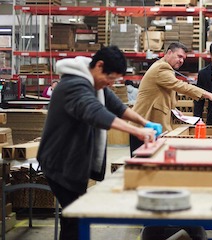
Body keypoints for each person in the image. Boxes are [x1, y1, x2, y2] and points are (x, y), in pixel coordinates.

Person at [37, 46, 162, 240]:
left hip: (74, 159)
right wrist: (137, 131)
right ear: (99, 65)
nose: (110, 84)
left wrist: (145, 123)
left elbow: (117, 107)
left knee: (74, 217)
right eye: (110, 78)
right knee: (74, 218)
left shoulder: (95, 84)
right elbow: (95, 112)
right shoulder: (74, 85)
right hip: (59, 161)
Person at [130, 42, 212, 155]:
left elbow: (161, 94)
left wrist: (173, 110)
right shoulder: (161, 68)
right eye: (179, 56)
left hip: (150, 127)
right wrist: (210, 95)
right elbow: (182, 86)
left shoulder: (165, 68)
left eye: (183, 58)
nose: (181, 61)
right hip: (143, 127)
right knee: (141, 166)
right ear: (169, 52)